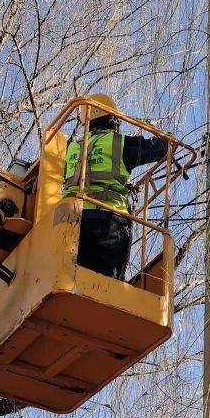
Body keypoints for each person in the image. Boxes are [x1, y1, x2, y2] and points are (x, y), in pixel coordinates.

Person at [63, 94, 168, 280]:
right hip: (107, 221)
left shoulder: (71, 148)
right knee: (107, 283)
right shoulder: (118, 143)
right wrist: (164, 137)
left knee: (74, 276)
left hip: (69, 219)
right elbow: (160, 148)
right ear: (113, 119)